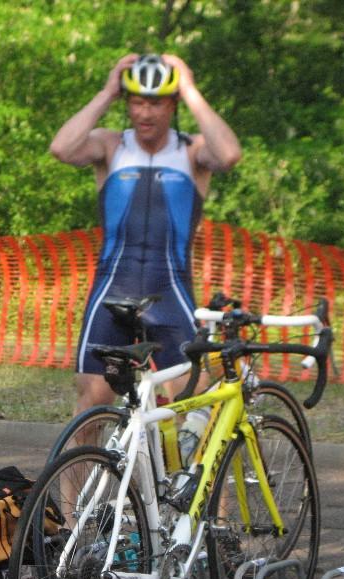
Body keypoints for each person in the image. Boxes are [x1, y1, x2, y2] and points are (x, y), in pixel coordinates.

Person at [50, 53, 241, 415]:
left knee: (191, 398)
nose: (145, 113)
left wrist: (190, 89)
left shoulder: (192, 150)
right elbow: (61, 148)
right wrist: (107, 92)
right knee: (93, 399)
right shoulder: (111, 145)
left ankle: (172, 456)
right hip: (112, 288)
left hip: (169, 290)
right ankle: (83, 456)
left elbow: (229, 154)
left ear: (172, 105)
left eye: (155, 104)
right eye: (137, 103)